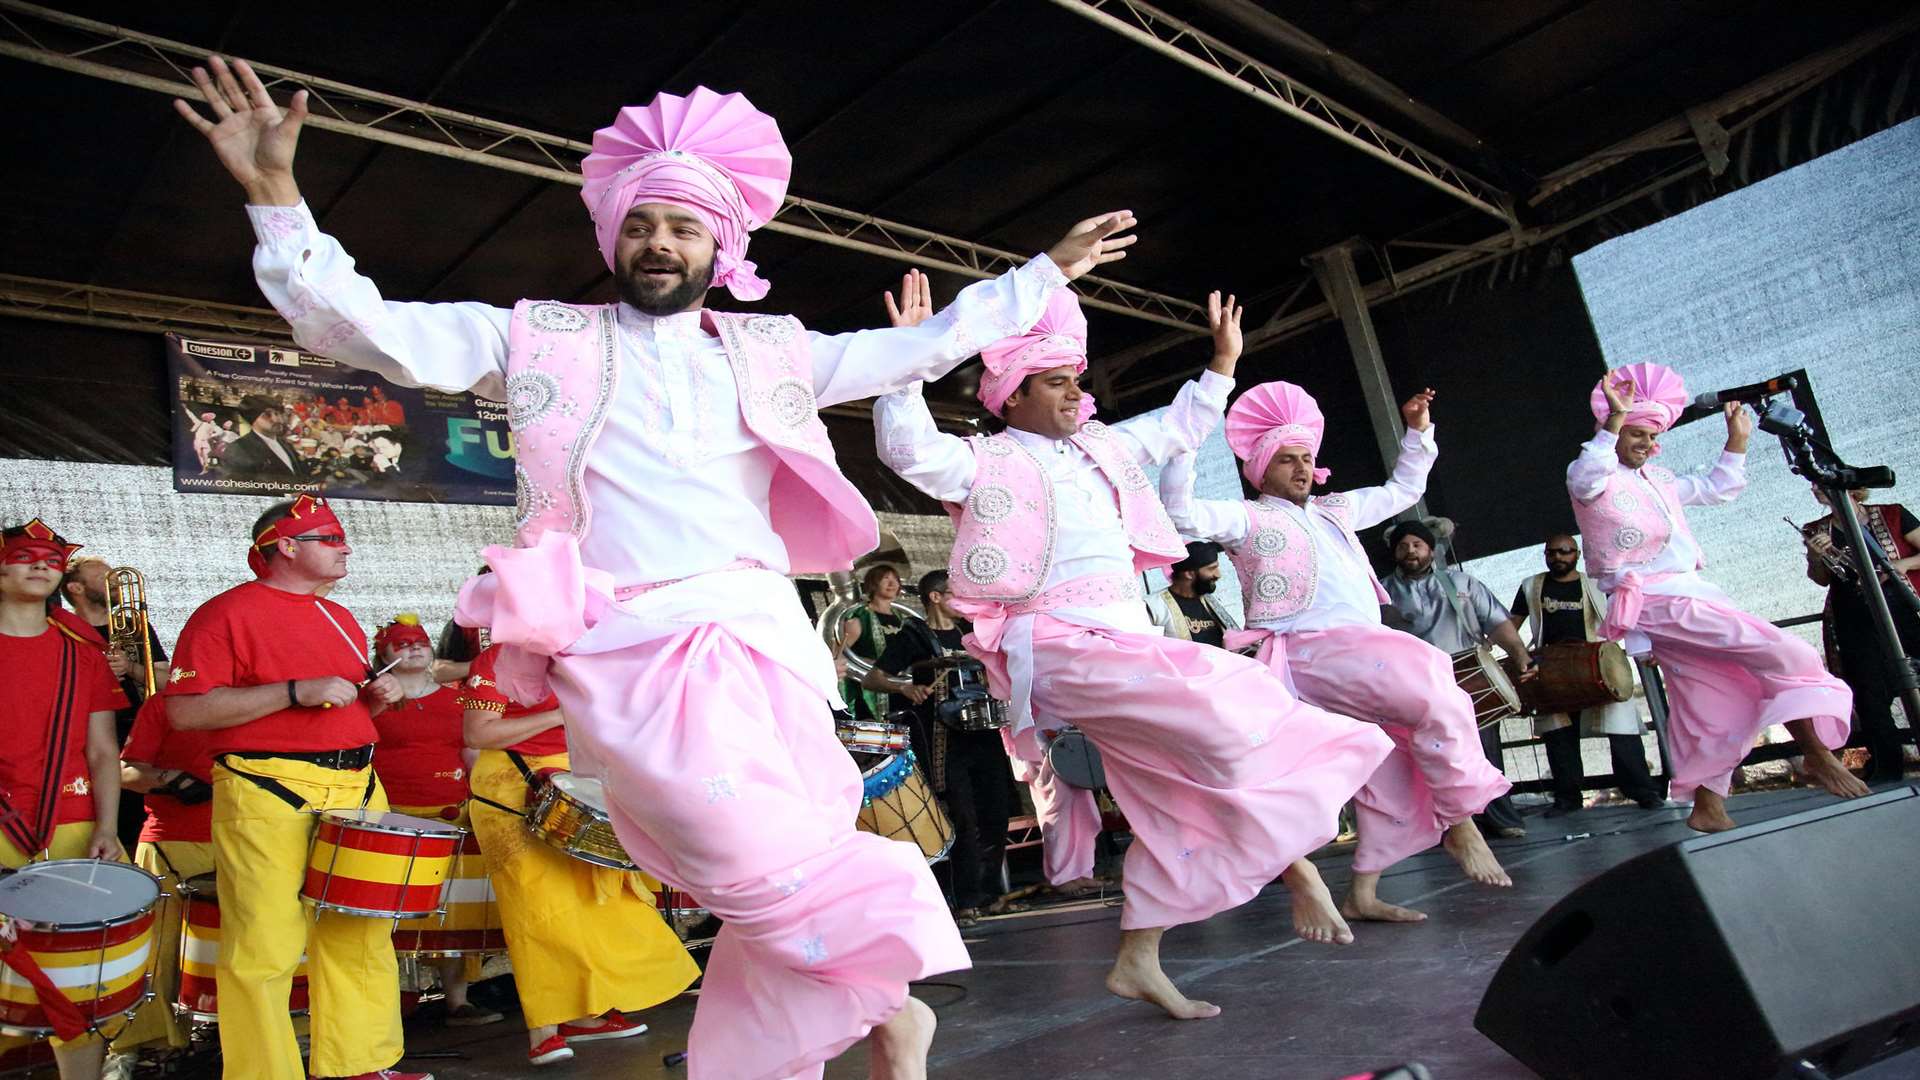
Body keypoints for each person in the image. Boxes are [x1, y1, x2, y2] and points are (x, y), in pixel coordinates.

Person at [178, 53, 1131, 1078]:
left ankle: (866, 1015)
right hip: (622, 643)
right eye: (640, 224)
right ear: (612, 238)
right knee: (715, 847)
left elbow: (926, 346)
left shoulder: (771, 351)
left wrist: (1048, 273)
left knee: (772, 836)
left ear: (722, 244)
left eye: (682, 226)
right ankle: (889, 988)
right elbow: (366, 331)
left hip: (755, 624)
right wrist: (277, 195)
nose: (658, 241)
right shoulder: (543, 338)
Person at [876, 285, 1393, 1019]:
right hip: (1057, 645)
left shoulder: (1106, 449)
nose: (1075, 395)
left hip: (1126, 640)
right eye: (1057, 383)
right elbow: (905, 448)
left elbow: (1181, 425)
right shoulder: (982, 460)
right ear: (1012, 396)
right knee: (1227, 692)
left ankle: (1138, 960)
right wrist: (906, 362)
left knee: (1170, 791)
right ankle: (1295, 862)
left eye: (1076, 382)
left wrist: (1222, 361)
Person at [1163, 381, 1512, 926]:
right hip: (1303, 652)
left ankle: (1364, 891)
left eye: (1307, 458)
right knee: (1429, 678)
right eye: (1287, 460)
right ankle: (1462, 816)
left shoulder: (1336, 510)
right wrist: (1184, 441)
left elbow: (1401, 491)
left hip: (1356, 652)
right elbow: (1181, 512)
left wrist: (1418, 432)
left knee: (1384, 761)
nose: (1302, 468)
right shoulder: (1247, 517)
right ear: (1261, 468)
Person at [162, 495, 425, 1080]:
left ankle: (361, 1064)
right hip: (266, 785)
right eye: (330, 538)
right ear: (285, 545)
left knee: (360, 931)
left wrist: (375, 700)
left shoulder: (341, 615)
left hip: (357, 781)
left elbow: (343, 701)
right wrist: (291, 692)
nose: (345, 547)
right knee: (264, 944)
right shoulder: (223, 613)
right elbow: (185, 712)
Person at [1567, 362, 1863, 832]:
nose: (1646, 443)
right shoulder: (1593, 478)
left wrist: (1737, 440)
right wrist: (1613, 422)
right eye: (1636, 434)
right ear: (1615, 430)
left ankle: (1707, 806)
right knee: (1785, 651)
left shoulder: (1659, 481)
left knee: (1706, 700)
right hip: (1658, 602)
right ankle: (1815, 753)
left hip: (1685, 597)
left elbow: (1716, 488)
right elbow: (1586, 475)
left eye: (1651, 436)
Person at [459, 645, 699, 1066]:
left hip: (579, 776)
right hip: (513, 785)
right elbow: (478, 733)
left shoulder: (586, 653)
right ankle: (543, 1029)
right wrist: (558, 715)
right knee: (538, 911)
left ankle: (586, 1016)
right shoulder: (497, 659)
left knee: (600, 902)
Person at [0, 520, 125, 1080]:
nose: (40, 564)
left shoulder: (84, 650)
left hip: (73, 825)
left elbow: (103, 751)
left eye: (51, 558)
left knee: (78, 980)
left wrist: (107, 825)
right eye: (24, 555)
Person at [366, 614, 502, 1029]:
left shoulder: (459, 700)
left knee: (451, 913)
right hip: (392, 819)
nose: (413, 647)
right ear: (382, 655)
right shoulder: (370, 701)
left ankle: (457, 1002)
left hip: (453, 814)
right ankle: (389, 1005)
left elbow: (473, 752)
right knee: (388, 916)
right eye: (401, 643)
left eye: (420, 642)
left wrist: (482, 799)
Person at [864, 570, 1013, 923]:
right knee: (960, 814)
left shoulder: (971, 634)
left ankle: (991, 892)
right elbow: (873, 677)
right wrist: (904, 689)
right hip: (944, 738)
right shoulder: (914, 636)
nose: (963, 603)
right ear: (935, 597)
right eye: (955, 595)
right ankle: (966, 899)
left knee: (996, 809)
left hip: (982, 731)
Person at [1382, 518, 1535, 839]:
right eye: (1403, 545)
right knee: (1434, 755)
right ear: (1394, 552)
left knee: (1484, 751)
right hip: (1419, 686)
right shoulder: (1383, 594)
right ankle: (1451, 827)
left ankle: (1499, 816)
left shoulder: (1462, 583)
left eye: (1417, 544)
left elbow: (1496, 622)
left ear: (1431, 549)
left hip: (1470, 678)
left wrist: (1520, 655)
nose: (1410, 550)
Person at [1508, 534, 1664, 814]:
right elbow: (1511, 626)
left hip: (1597, 665)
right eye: (1553, 552)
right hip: (1551, 669)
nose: (1559, 557)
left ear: (1577, 554)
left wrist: (1649, 647)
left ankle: (1644, 792)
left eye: (1565, 552)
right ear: (1545, 555)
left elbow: (1628, 616)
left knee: (1622, 731)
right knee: (1558, 737)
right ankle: (1567, 799)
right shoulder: (1531, 586)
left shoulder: (1597, 584)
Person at [108, 693, 218, 1058]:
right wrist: (170, 779)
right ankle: (139, 1047)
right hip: (173, 840)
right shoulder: (164, 705)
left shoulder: (273, 699)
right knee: (155, 954)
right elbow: (124, 771)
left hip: (252, 839)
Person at [1804, 486, 1920, 783]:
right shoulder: (1817, 529)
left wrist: (1899, 567)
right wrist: (1816, 558)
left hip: (1903, 610)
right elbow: (1820, 579)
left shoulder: (1891, 513)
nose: (1815, 487)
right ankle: (1888, 766)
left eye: (1821, 482)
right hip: (1854, 618)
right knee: (1869, 693)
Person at [58, 554, 171, 853]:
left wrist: (130, 668)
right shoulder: (62, 630)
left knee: (138, 817)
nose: (116, 582)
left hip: (136, 731)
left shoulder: (135, 625)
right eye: (103, 577)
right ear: (75, 589)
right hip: (87, 734)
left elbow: (169, 680)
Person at [839, 563, 912, 721]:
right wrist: (877, 665)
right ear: (873, 583)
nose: (892, 584)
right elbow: (838, 656)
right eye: (886, 579)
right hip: (866, 695)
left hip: (897, 690)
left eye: (895, 579)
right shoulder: (858, 618)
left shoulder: (903, 618)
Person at [1144, 541, 1238, 647]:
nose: (1218, 574)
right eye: (1212, 568)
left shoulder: (1210, 601)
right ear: (1189, 574)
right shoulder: (1153, 607)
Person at [218, 395, 306, 479]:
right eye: (267, 415)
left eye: (278, 413)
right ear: (253, 419)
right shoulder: (239, 448)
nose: (277, 419)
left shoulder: (285, 444)